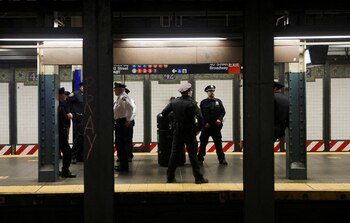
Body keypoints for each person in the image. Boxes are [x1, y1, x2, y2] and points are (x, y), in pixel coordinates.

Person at [161, 83, 208, 184]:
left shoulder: (174, 102)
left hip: (177, 131)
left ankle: (170, 177)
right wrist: (198, 129)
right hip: (190, 132)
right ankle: (198, 178)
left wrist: (173, 120)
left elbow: (164, 113)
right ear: (189, 92)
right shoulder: (192, 103)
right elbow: (200, 118)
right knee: (193, 155)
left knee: (174, 154)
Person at [197, 85, 227, 165]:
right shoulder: (203, 102)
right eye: (210, 91)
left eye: (213, 91)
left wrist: (219, 119)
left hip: (216, 127)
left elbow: (223, 112)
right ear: (207, 92)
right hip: (206, 127)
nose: (212, 92)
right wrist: (204, 123)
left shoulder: (218, 101)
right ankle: (200, 159)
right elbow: (201, 115)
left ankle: (222, 159)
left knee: (218, 144)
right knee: (203, 143)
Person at [113, 82, 134, 172]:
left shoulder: (123, 97)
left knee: (120, 144)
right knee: (119, 144)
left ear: (119, 89)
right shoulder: (120, 97)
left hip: (122, 123)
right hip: (119, 122)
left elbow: (130, 108)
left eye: (115, 89)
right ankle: (122, 164)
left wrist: (128, 120)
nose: (114, 90)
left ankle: (124, 166)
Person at [58, 87, 76, 178]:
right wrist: (67, 116)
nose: (65, 96)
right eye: (63, 94)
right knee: (67, 151)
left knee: (65, 151)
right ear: (60, 95)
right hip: (60, 131)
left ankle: (62, 170)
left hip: (61, 131)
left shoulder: (60, 104)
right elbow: (61, 118)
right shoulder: (60, 105)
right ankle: (65, 171)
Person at [67, 82, 84, 164]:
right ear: (80, 87)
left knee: (84, 138)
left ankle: (80, 156)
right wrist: (70, 112)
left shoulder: (87, 95)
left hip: (86, 119)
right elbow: (67, 102)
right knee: (79, 137)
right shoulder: (75, 94)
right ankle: (73, 156)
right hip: (78, 119)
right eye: (83, 86)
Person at [125, 87, 136, 162]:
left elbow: (134, 112)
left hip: (128, 122)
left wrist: (128, 121)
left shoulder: (131, 101)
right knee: (121, 140)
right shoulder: (117, 101)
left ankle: (129, 155)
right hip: (120, 122)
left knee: (128, 139)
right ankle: (122, 156)